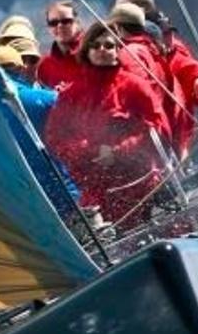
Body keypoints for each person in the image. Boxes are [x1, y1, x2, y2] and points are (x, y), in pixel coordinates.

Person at [43, 21, 174, 230]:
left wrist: (118, 151)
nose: (102, 50)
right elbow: (55, 137)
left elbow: (159, 128)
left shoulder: (135, 86)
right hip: (94, 193)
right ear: (87, 51)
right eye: (96, 45)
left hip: (139, 189)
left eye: (109, 45)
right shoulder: (71, 93)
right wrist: (88, 152)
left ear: (118, 50)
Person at [114, 0, 198, 154]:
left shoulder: (169, 53)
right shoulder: (117, 49)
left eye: (169, 33)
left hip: (167, 142)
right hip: (143, 141)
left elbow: (186, 68)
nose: (169, 39)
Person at [36, 0, 84, 90]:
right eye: (53, 23)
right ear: (48, 28)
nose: (60, 26)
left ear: (77, 23)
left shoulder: (94, 53)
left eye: (66, 21)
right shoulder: (45, 66)